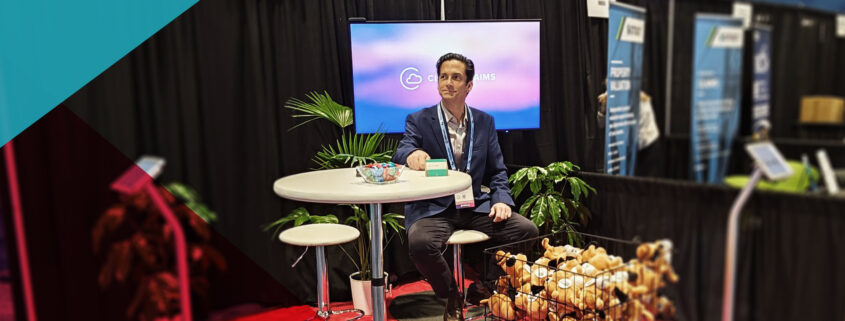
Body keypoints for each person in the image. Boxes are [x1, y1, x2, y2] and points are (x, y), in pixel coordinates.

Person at [392, 53, 539, 321]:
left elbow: (496, 170)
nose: (448, 82)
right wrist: (411, 155)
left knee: (526, 230)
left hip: (473, 203)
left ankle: (487, 285)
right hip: (435, 207)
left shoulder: (485, 122)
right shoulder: (419, 119)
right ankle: (451, 295)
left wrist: (501, 200)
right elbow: (403, 150)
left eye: (456, 77)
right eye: (443, 77)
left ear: (469, 86)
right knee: (420, 243)